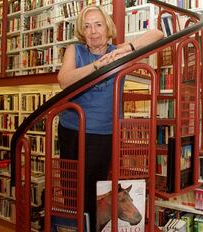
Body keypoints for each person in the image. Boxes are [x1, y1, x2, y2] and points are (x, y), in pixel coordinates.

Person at [56, 5, 163, 231]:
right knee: (72, 190)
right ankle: (76, 227)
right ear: (81, 31)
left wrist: (126, 48)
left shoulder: (119, 51)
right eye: (87, 26)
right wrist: (98, 65)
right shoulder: (74, 51)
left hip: (103, 133)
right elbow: (65, 80)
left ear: (107, 27)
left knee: (96, 190)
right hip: (72, 131)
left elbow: (158, 34)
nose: (93, 31)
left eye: (98, 24)